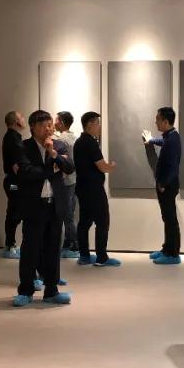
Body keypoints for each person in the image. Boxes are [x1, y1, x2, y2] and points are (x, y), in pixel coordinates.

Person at [12, 110, 74, 307]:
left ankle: (51, 290)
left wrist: (53, 154)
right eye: (43, 125)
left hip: (55, 204)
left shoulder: (59, 145)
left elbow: (69, 167)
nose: (48, 129)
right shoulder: (23, 147)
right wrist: (51, 169)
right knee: (30, 248)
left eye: (50, 125)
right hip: (34, 205)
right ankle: (26, 290)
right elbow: (26, 172)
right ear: (33, 127)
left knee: (53, 249)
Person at [73, 111, 120, 267]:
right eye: (97, 123)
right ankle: (102, 257)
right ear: (89, 124)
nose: (99, 127)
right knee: (102, 221)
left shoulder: (79, 142)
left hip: (82, 188)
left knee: (84, 222)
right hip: (93, 189)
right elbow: (102, 166)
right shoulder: (90, 142)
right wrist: (111, 166)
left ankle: (84, 256)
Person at [142, 106, 182, 264]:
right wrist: (151, 140)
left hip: (168, 185)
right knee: (167, 218)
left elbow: (173, 166)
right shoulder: (170, 137)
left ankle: (173, 254)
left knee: (170, 219)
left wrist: (163, 183)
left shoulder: (172, 140)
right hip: (166, 184)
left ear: (166, 122)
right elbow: (163, 142)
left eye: (157, 119)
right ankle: (167, 249)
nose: (155, 122)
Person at [53, 111, 79, 258]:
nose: (54, 123)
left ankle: (72, 244)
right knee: (70, 212)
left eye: (56, 120)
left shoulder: (61, 139)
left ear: (62, 122)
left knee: (66, 214)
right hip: (74, 179)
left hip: (65, 180)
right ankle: (69, 243)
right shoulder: (74, 137)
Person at [1, 110, 26, 259]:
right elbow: (17, 164)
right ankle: (10, 246)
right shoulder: (12, 138)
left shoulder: (14, 137)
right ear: (16, 121)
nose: (23, 119)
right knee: (14, 212)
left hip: (13, 180)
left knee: (14, 211)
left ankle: (10, 244)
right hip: (13, 182)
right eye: (21, 117)